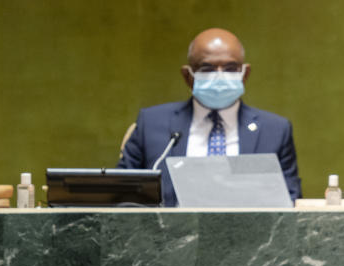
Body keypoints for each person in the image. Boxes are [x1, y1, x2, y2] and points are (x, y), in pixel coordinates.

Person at [117, 28, 302, 206]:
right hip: (167, 235)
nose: (219, 77)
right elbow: (121, 195)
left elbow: (289, 201)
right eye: (207, 69)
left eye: (230, 68)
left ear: (244, 74)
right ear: (187, 76)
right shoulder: (151, 123)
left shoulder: (275, 131)